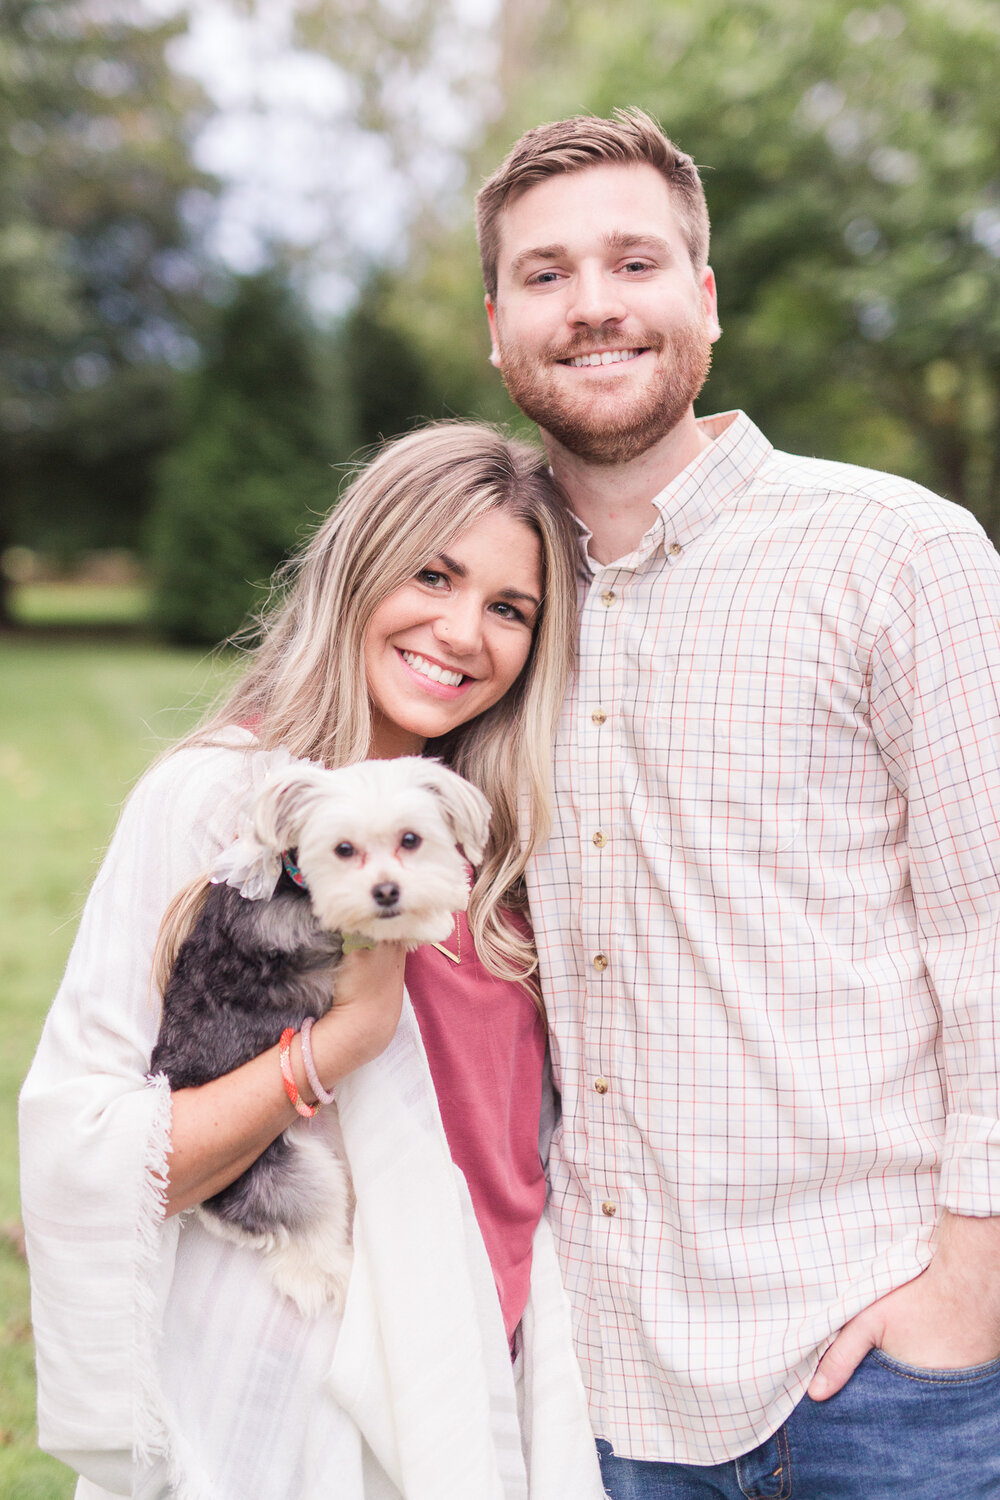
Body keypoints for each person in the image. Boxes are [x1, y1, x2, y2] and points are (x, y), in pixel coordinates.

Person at [475, 108, 1000, 1497]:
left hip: (880, 1365)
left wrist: (970, 1292)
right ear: (496, 326)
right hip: (600, 1374)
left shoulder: (898, 553)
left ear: (704, 301)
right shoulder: (485, 602)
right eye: (545, 274)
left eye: (634, 263)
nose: (593, 305)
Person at [19, 421, 607, 1500]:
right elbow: (85, 1144)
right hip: (289, 1392)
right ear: (359, 567)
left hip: (494, 1374)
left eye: (509, 608)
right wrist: (335, 1046)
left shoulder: (503, 842)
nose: (463, 631)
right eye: (433, 574)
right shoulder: (220, 807)